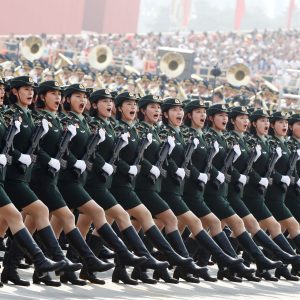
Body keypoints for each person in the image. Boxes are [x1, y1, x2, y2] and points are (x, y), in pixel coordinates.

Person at [52, 84, 146, 284]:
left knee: (70, 223)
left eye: (111, 101)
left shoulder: (91, 123)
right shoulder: (69, 121)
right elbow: (59, 147)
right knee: (95, 216)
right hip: (71, 179)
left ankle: (74, 267)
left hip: (86, 179)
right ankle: (130, 254)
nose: (109, 104)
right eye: (78, 96)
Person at [77, 89, 169, 285]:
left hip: (111, 182)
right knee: (129, 217)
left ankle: (88, 268)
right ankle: (148, 257)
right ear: (95, 105)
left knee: (86, 225)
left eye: (135, 104)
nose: (133, 107)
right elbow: (90, 152)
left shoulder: (115, 127)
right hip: (98, 181)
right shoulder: (96, 125)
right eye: (128, 104)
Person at [28, 81, 116, 286]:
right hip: (47, 177)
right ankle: (98, 258)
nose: (83, 100)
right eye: (77, 96)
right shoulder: (47, 118)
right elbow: (37, 146)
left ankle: (47, 268)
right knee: (55, 218)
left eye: (85, 96)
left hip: (65, 178)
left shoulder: (72, 120)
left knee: (42, 223)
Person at [1, 76, 79, 286]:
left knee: (11, 222)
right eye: (25, 89)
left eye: (31, 90)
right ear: (15, 92)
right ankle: (50, 260)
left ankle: (15, 267)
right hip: (13, 177)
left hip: (20, 176)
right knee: (32, 214)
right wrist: (17, 156)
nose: (30, 93)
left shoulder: (30, 117)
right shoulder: (10, 115)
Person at [202, 104, 282, 281]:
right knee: (239, 224)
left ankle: (217, 266)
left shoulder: (242, 140)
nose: (245, 121)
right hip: (219, 190)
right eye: (241, 118)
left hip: (233, 190)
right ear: (233, 121)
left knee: (216, 227)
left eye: (247, 118)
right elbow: (211, 163)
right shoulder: (218, 137)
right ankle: (265, 260)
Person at [243, 109, 300, 280]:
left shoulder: (272, 142)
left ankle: (255, 263)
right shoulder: (257, 141)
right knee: (282, 226)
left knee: (262, 229)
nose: (284, 125)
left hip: (277, 192)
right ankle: (291, 261)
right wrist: (275, 177)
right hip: (263, 193)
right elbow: (249, 166)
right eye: (263, 121)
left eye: (285, 122)